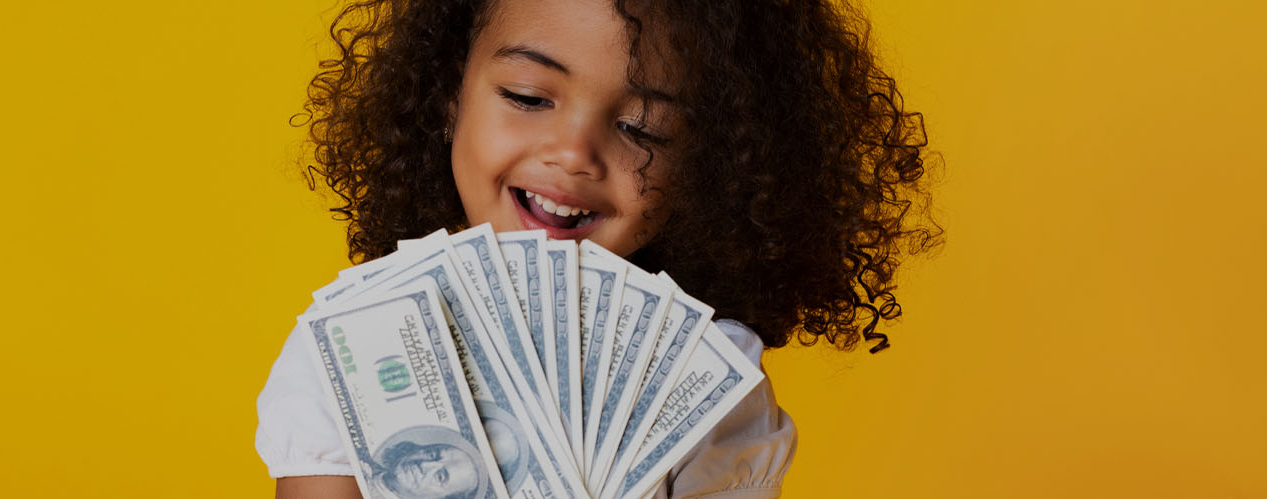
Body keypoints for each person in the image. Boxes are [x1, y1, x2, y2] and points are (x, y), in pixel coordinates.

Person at [257, 0, 942, 497]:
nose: (575, 153)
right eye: (528, 96)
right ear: (445, 100)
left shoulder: (712, 373)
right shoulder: (351, 338)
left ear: (712, 164)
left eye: (644, 129)